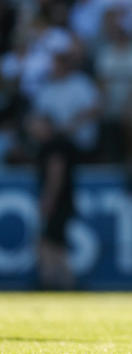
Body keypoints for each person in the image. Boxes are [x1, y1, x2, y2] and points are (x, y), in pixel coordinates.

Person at [27, 113, 77, 290]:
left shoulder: (53, 147)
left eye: (36, 124)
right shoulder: (51, 146)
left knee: (47, 243)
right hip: (64, 201)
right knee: (55, 244)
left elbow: (56, 173)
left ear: (47, 125)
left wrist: (49, 198)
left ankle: (50, 282)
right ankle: (63, 282)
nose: (31, 129)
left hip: (59, 202)